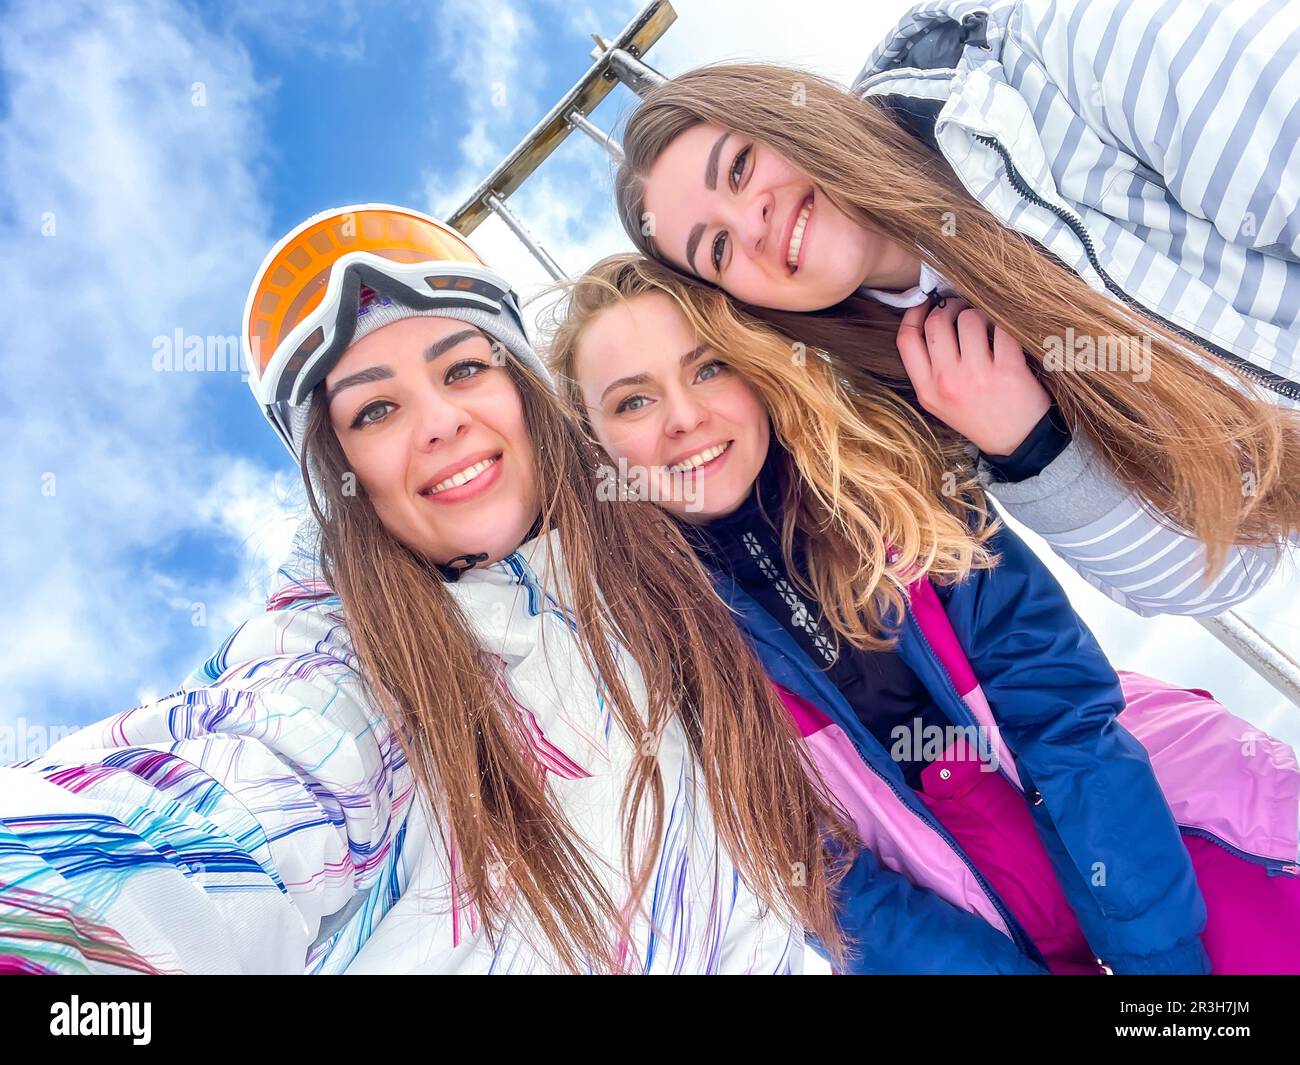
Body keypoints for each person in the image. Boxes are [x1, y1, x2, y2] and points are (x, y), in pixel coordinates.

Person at [0, 204, 861, 975]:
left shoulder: (672, 580)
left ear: (524, 391)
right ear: (347, 476)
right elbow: (211, 813)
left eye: (461, 372)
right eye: (375, 412)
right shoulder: (355, 673)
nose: (440, 421)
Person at [544, 250, 1300, 974]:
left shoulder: (893, 482)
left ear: (755, 370)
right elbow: (816, 875)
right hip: (958, 928)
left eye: (708, 367)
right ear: (596, 444)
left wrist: (1162, 964)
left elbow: (1060, 711)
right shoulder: (645, 650)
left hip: (1161, 828)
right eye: (633, 399)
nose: (683, 417)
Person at [612, 0, 1300, 617]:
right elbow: (1224, 568)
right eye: (719, 249)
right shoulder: (921, 391)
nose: (751, 222)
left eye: (737, 168)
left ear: (789, 113)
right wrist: (1034, 449)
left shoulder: (1044, 62)